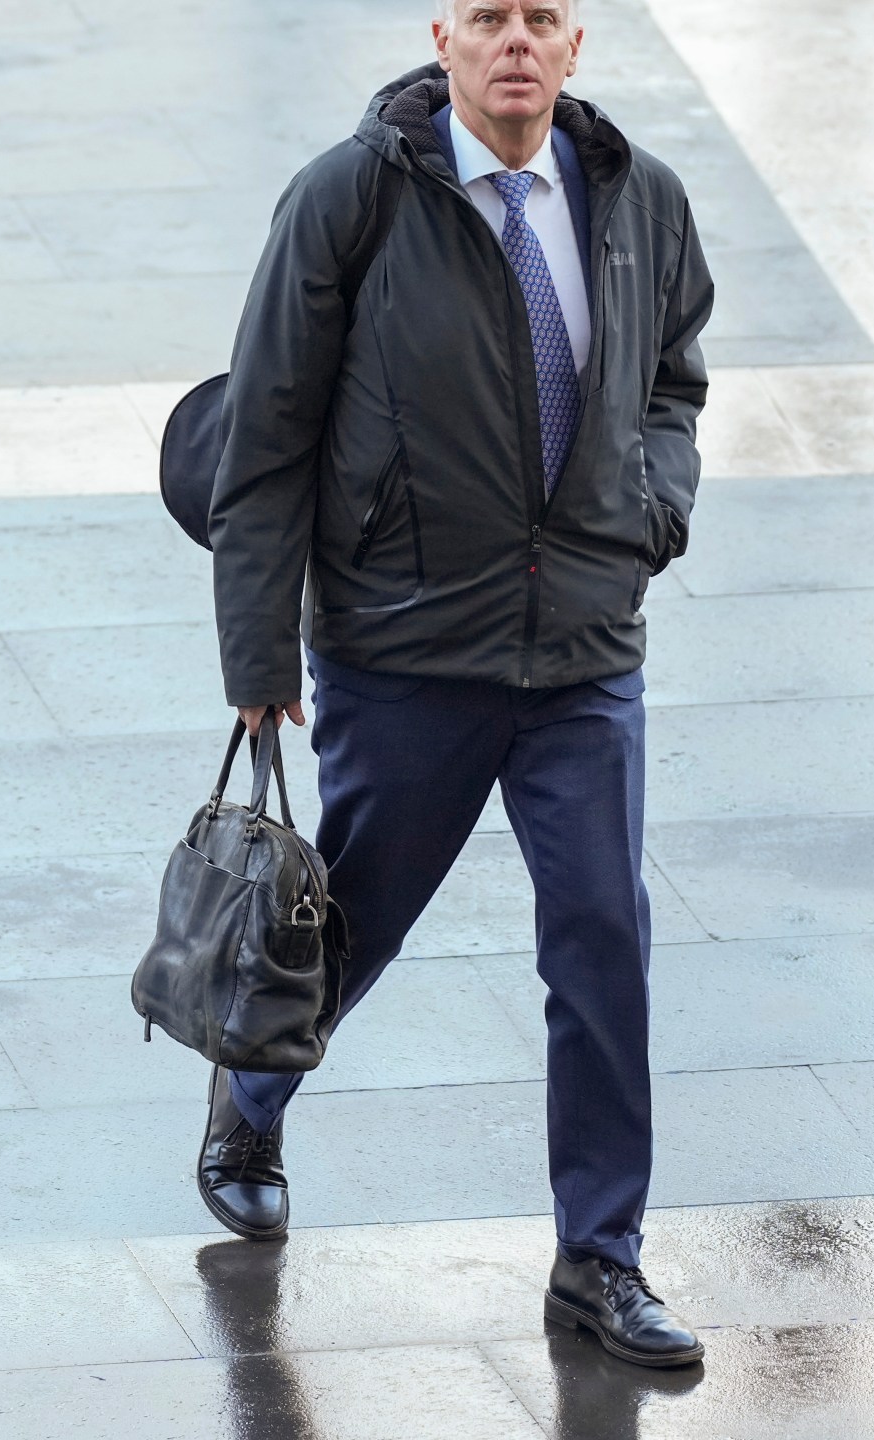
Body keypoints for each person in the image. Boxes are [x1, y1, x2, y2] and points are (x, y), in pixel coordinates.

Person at [203, 0, 714, 1369]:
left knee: (603, 936)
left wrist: (647, 508)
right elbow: (268, 427)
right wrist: (257, 649)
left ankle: (599, 1259)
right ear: (441, 37)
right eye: (489, 16)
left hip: (584, 652)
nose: (515, 43)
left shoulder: (635, 198)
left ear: (576, 41)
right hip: (408, 644)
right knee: (351, 921)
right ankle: (251, 1091)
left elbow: (674, 375)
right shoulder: (350, 200)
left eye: (541, 17)